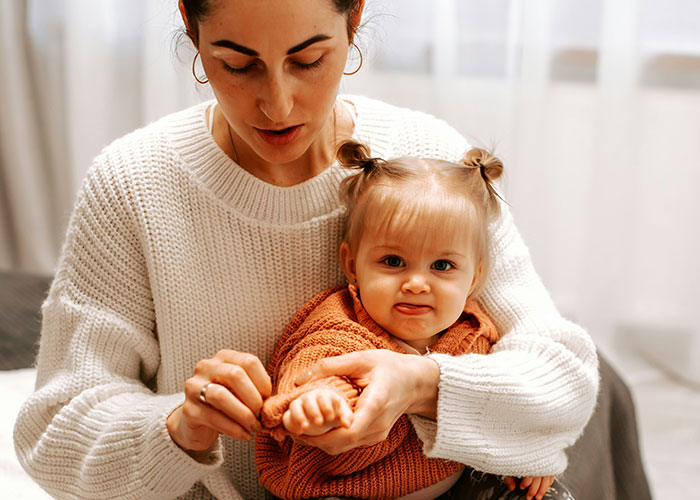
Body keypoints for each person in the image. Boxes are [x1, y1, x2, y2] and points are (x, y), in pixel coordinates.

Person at [13, 1, 598, 499]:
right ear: (191, 28)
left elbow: (563, 374)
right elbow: (53, 433)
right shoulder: (134, 183)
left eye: (309, 60)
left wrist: (422, 385)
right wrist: (180, 425)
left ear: (355, 20)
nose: (279, 105)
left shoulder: (424, 161)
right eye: (238, 64)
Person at [255, 141, 556, 500]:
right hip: (342, 490)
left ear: (473, 279)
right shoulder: (344, 324)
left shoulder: (475, 330)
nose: (415, 283)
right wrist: (317, 401)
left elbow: (501, 402)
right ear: (352, 265)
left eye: (442, 266)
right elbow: (313, 363)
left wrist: (528, 451)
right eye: (394, 262)